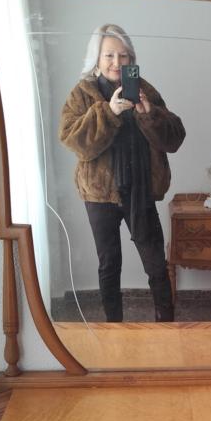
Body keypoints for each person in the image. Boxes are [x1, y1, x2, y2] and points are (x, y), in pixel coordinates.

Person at [59, 24, 186, 322]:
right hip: (99, 195)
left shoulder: (145, 90)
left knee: (156, 264)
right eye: (109, 55)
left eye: (123, 55)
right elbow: (74, 141)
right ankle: (112, 329)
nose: (117, 62)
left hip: (141, 191)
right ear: (97, 58)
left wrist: (149, 114)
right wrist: (109, 112)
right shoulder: (82, 94)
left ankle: (166, 327)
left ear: (132, 59)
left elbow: (174, 139)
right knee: (109, 265)